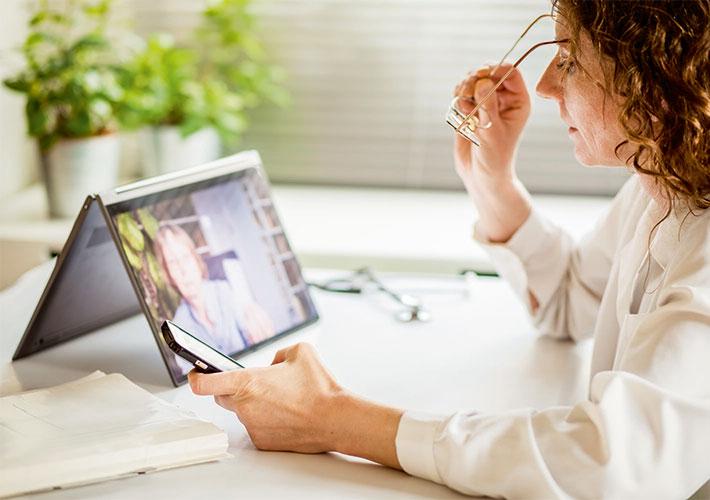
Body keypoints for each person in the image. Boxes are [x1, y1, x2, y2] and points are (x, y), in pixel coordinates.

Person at [188, 1, 710, 497]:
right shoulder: (661, 185)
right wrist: (492, 178)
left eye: (571, 60)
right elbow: (571, 304)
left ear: (655, 74)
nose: (547, 84)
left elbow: (609, 464)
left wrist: (332, 416)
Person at [153, 224, 274, 370]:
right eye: (173, 263)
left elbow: (250, 324)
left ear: (196, 260)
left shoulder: (225, 291)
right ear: (168, 274)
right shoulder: (178, 328)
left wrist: (257, 327)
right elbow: (190, 376)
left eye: (185, 258)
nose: (183, 270)